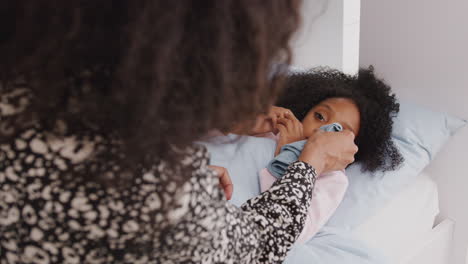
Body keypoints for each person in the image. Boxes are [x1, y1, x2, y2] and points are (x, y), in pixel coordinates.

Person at [0, 1, 357, 263]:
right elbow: (259, 244)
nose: (325, 128)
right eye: (320, 115)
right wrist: (311, 160)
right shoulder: (148, 191)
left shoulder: (27, 92)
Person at [256, 67, 403, 243]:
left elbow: (292, 231)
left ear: (352, 149)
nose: (322, 131)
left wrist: (287, 158)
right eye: (319, 116)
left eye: (338, 130)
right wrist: (250, 121)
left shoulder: (333, 180)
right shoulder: (277, 131)